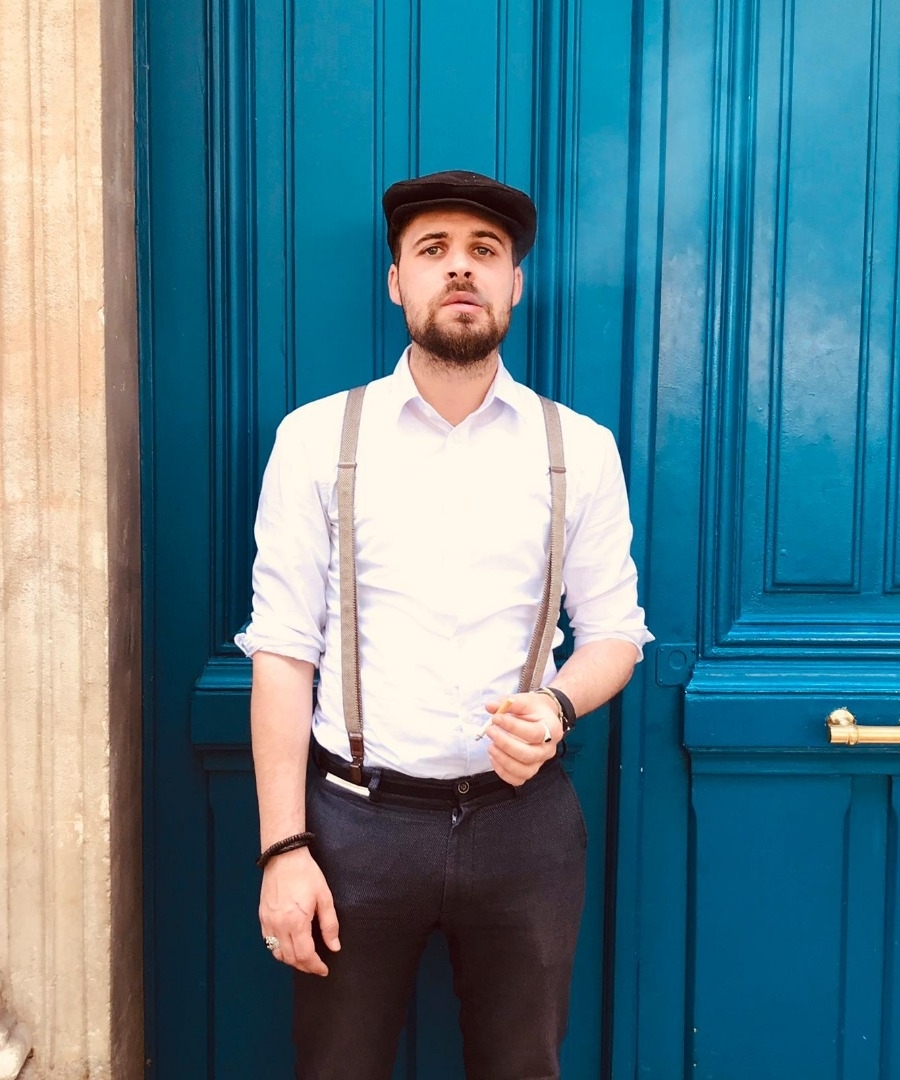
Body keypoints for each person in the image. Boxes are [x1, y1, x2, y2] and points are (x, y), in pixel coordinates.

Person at [235, 170, 652, 1080]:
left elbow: (616, 632)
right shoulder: (317, 439)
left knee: (522, 1068)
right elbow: (283, 652)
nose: (460, 268)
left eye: (484, 252)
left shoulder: (579, 449)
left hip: (523, 828)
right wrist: (283, 849)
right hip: (354, 826)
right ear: (397, 282)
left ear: (514, 284)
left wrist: (557, 706)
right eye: (434, 250)